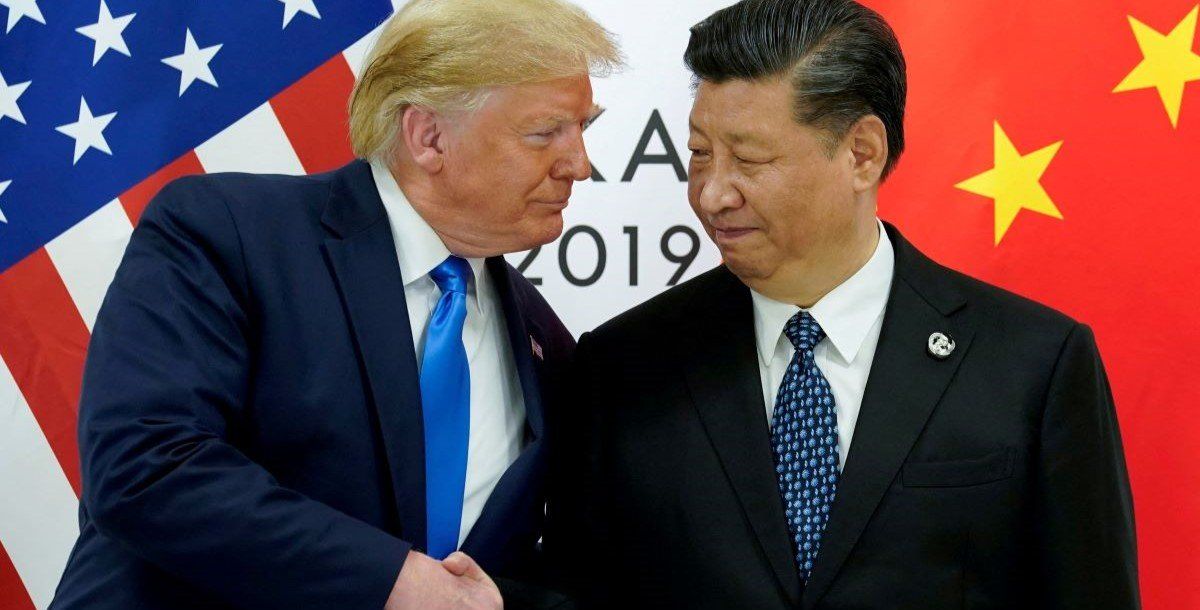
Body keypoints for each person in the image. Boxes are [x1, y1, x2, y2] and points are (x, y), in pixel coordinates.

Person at [545, 0, 1139, 608]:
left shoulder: (1034, 363)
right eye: (699, 154)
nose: (713, 193)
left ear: (862, 153)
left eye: (749, 159)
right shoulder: (624, 367)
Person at [49, 1, 620, 608]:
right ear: (428, 137)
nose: (580, 166)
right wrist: (391, 580)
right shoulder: (228, 235)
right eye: (544, 133)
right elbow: (146, 466)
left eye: (584, 129)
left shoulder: (544, 342)